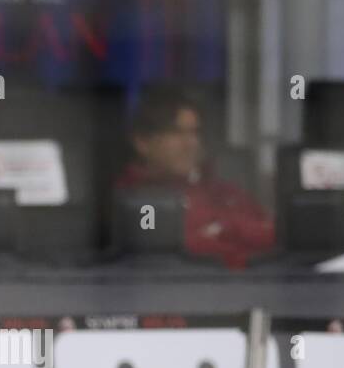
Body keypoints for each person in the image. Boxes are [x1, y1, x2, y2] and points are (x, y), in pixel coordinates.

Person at [115, 89, 274, 268]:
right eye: (177, 133)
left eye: (194, 133)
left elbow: (273, 237)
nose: (191, 143)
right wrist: (236, 248)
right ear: (142, 142)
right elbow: (171, 253)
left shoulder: (225, 192)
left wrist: (225, 228)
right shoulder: (131, 201)